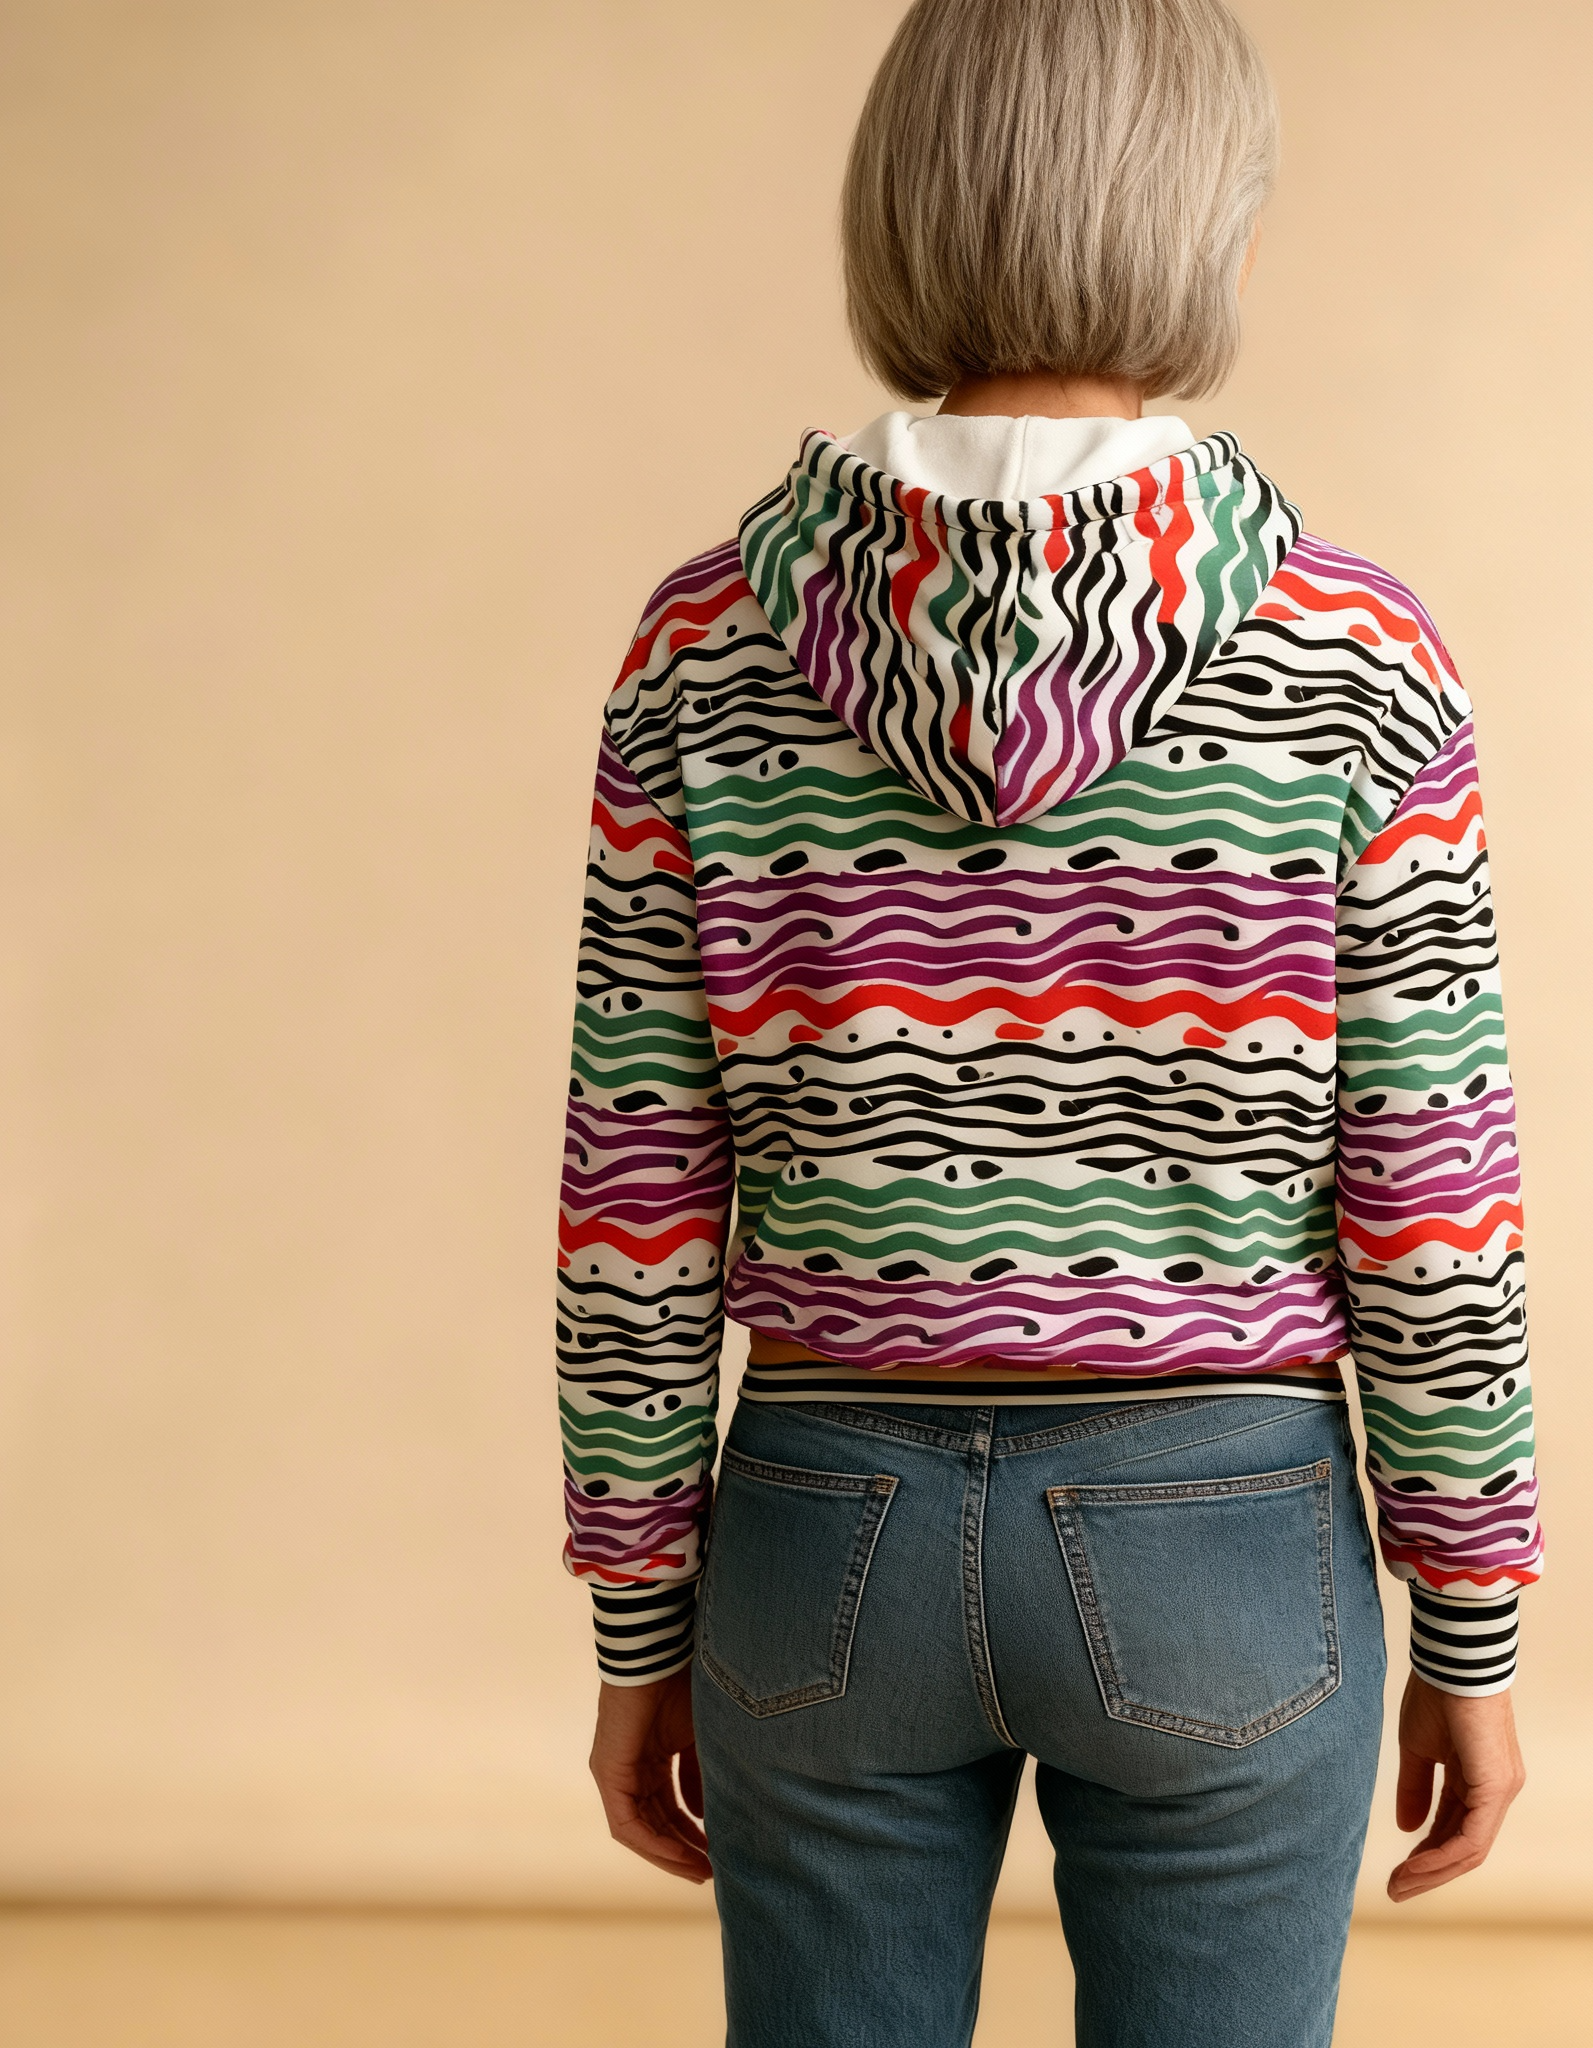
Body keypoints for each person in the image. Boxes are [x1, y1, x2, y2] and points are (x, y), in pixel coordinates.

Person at [555, 2, 1542, 2041]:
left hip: (821, 1519)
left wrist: (640, 1615)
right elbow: (1431, 1203)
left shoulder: (702, 648)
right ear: (1213, 223)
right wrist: (1472, 1620)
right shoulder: (1355, 654)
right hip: (1228, 1531)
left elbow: (636, 1198)